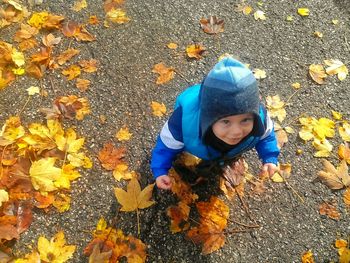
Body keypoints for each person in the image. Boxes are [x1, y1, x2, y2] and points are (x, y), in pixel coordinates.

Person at [151, 57, 280, 190]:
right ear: (208, 119)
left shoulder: (261, 119)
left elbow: (267, 136)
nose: (237, 131)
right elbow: (165, 145)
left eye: (245, 120)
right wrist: (160, 170)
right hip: (196, 136)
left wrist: (269, 157)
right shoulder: (183, 123)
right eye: (226, 121)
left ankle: (224, 158)